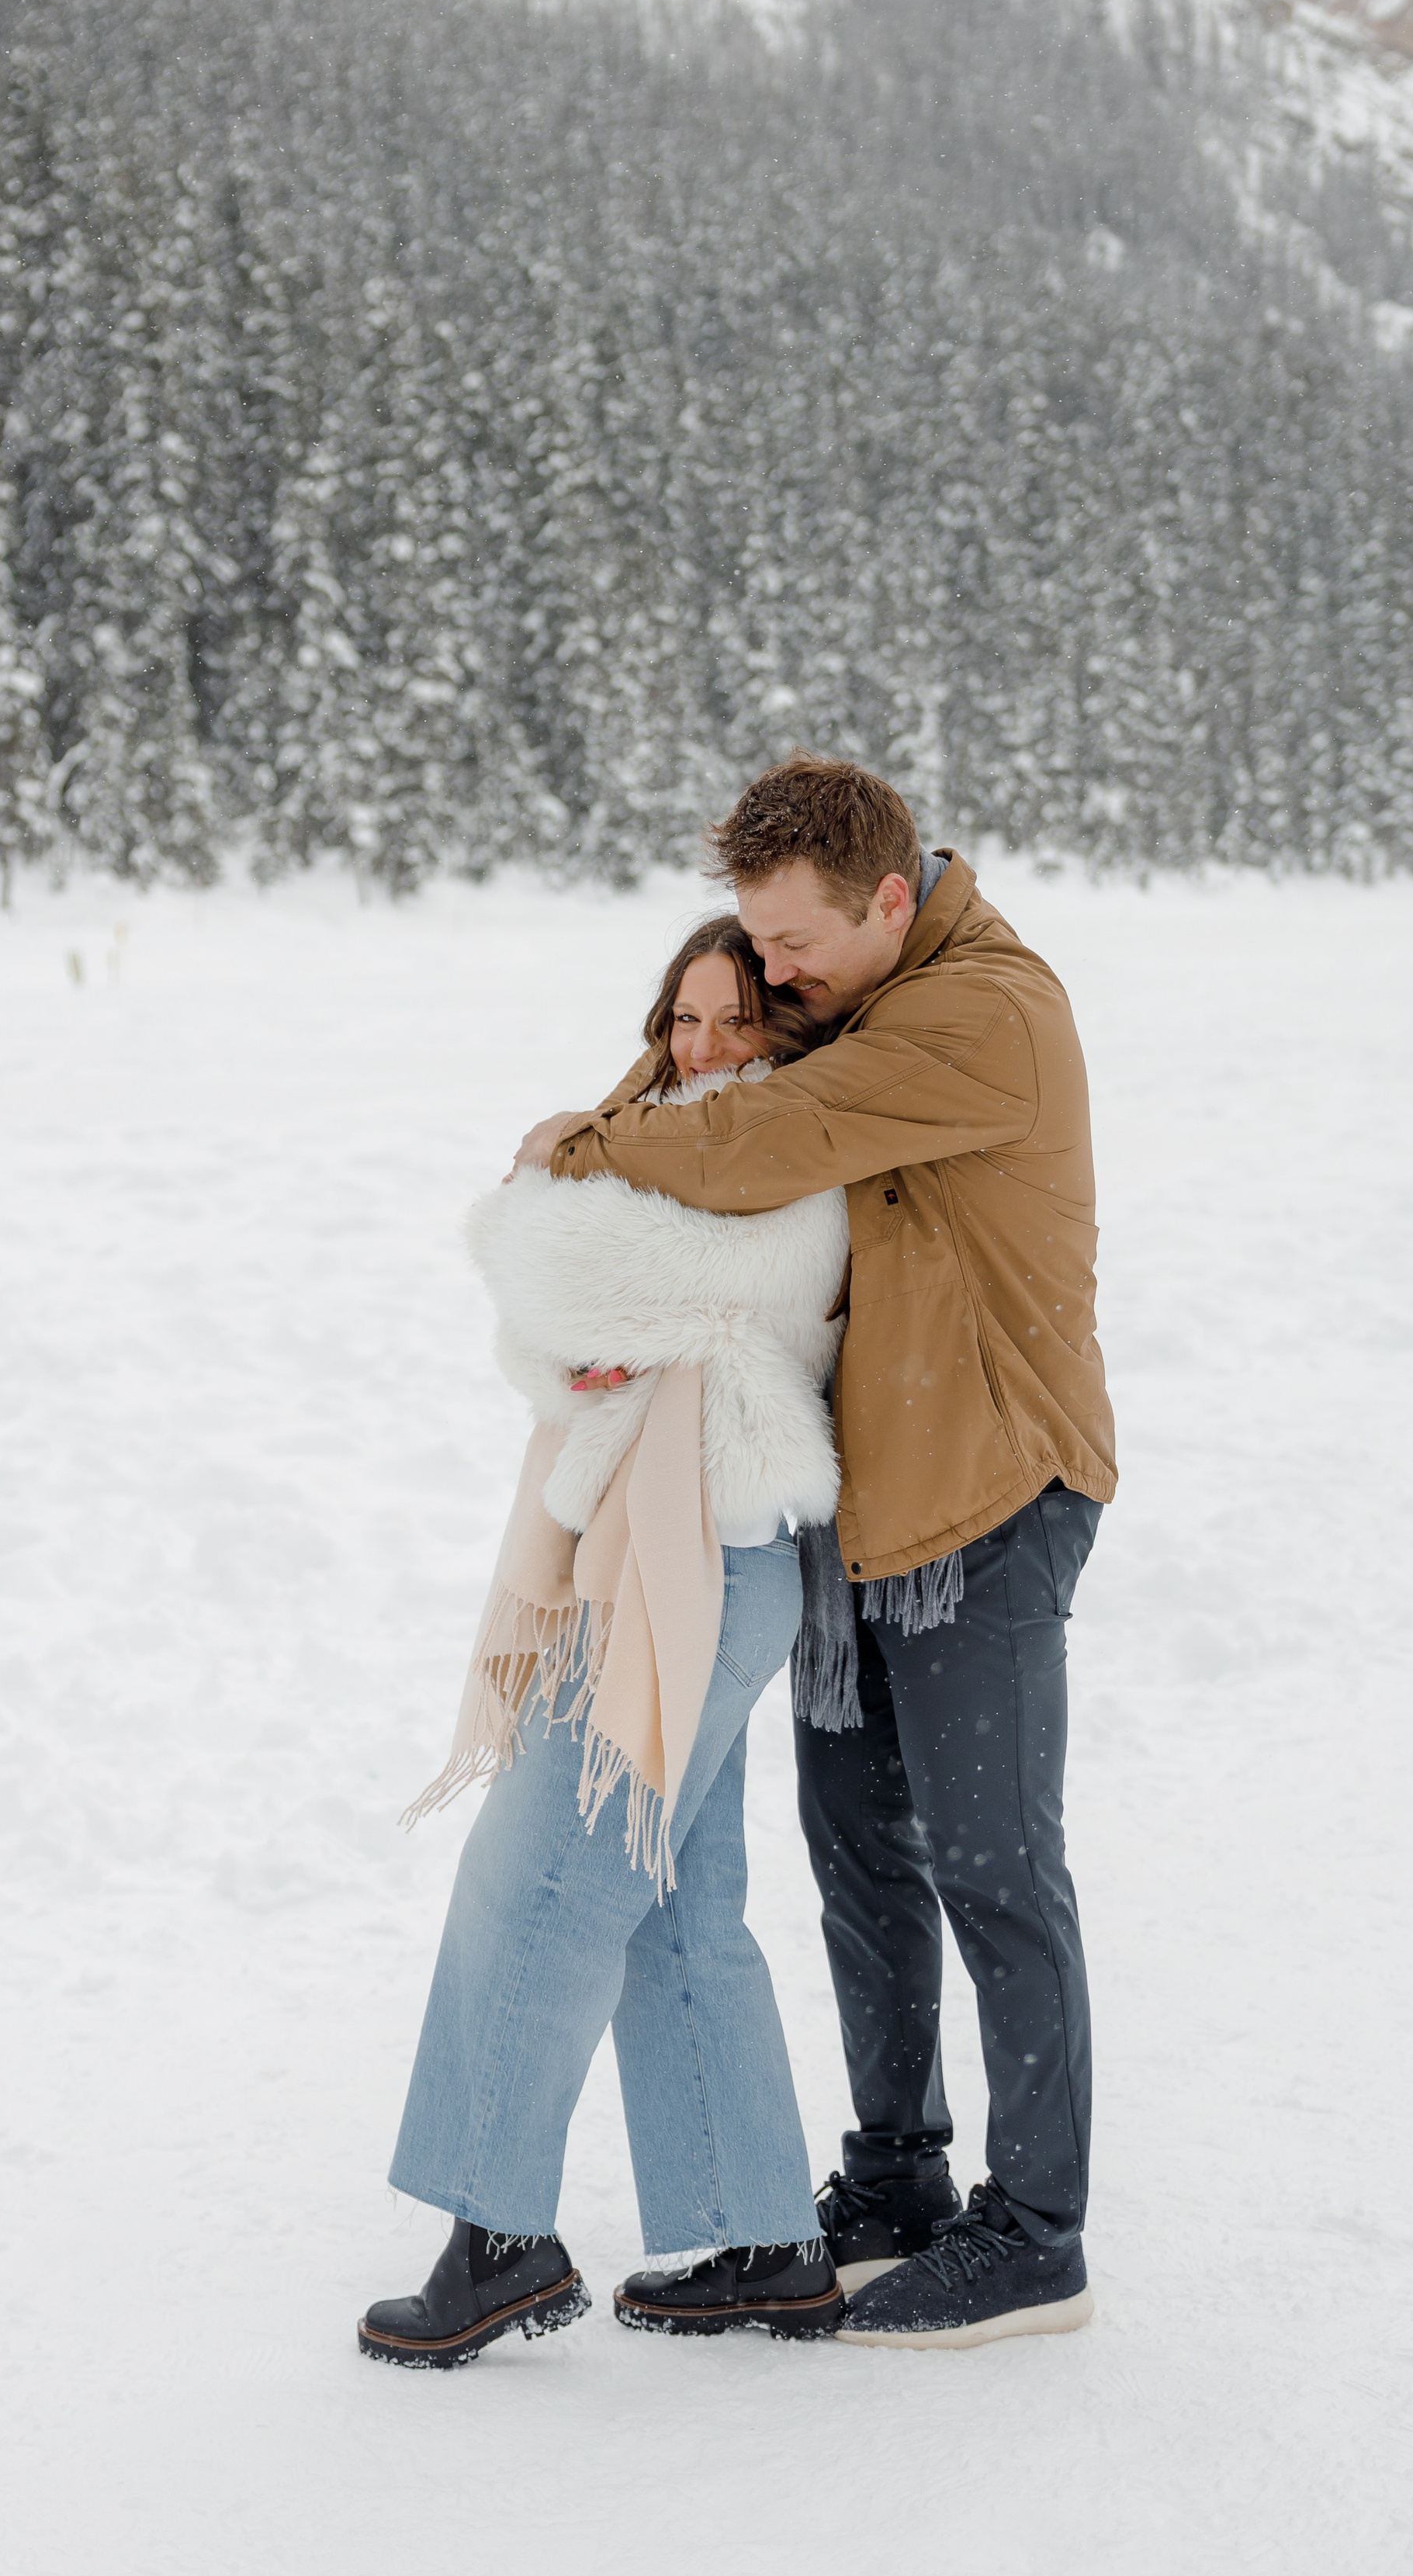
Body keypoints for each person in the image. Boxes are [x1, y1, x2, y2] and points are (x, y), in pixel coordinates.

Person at [514, 756, 1117, 2349]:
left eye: (792, 943)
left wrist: (582, 1146)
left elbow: (758, 1141)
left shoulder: (979, 1012)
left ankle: (1036, 2231)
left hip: (987, 1489)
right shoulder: (852, 993)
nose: (771, 972)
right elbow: (718, 1134)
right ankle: (896, 2179)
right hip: (864, 1505)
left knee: (993, 1864)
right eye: (759, 940)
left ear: (890, 900)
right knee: (860, 1855)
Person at [360, 919, 851, 2368]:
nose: (705, 1048)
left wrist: (559, 1168)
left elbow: (566, 1279)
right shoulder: (674, 1161)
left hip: (696, 1571)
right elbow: (555, 1339)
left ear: (784, 1032)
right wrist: (576, 1237)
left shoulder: (786, 1169)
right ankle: (767, 2236)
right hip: (669, 1566)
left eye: (737, 1019)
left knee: (537, 1884)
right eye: (684, 1019)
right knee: (676, 1903)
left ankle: (497, 2237)